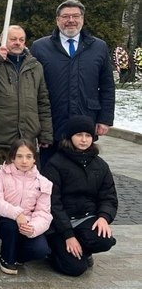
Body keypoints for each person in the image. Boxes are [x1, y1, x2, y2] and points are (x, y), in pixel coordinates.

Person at [31, 0, 115, 166]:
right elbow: (32, 87)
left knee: (82, 172)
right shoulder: (40, 47)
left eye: (75, 16)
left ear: (82, 19)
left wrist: (105, 118)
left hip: (86, 120)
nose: (71, 20)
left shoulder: (99, 47)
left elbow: (107, 85)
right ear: (57, 20)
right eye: (66, 16)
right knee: (50, 172)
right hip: (52, 122)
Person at [0, 25, 52, 184]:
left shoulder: (35, 66)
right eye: (13, 39)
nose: (17, 43)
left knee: (23, 189)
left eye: (21, 40)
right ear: (2, 39)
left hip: (25, 141)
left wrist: (45, 133)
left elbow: (43, 101)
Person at [42, 115, 117, 276]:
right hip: (59, 225)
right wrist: (68, 235)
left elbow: (109, 196)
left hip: (85, 218)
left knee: (105, 240)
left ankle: (82, 249)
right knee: (76, 268)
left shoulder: (100, 165)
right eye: (79, 135)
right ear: (70, 137)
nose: (84, 140)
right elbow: (52, 202)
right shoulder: (55, 164)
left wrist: (104, 217)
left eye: (88, 135)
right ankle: (54, 251)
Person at [0, 139, 52, 275]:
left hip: (28, 222)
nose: (24, 161)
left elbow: (44, 213)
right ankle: (6, 258)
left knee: (41, 250)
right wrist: (17, 214)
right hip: (3, 219)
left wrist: (33, 227)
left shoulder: (43, 182)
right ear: (12, 158)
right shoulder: (1, 175)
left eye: (29, 157)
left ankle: (18, 256)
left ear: (34, 159)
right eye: (19, 156)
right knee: (10, 226)